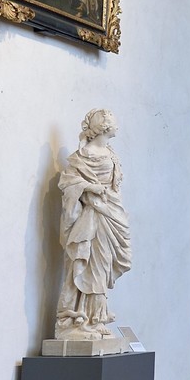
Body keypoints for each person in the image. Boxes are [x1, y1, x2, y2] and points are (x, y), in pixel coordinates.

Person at [55, 109, 132, 339]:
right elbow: (68, 182)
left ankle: (96, 317)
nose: (117, 124)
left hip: (112, 213)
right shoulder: (85, 154)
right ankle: (81, 319)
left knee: (105, 263)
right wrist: (90, 188)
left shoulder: (110, 152)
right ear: (104, 126)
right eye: (114, 121)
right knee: (91, 264)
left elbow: (114, 187)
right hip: (94, 216)